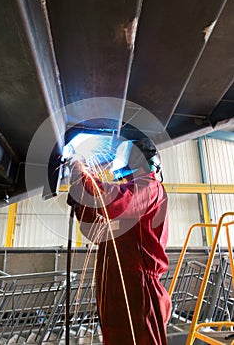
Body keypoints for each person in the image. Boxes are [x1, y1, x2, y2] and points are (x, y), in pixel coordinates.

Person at [67, 137, 171, 345]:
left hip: (139, 291)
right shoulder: (130, 204)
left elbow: (110, 200)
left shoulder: (149, 187)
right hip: (116, 289)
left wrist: (80, 172)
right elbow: (98, 230)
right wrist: (81, 203)